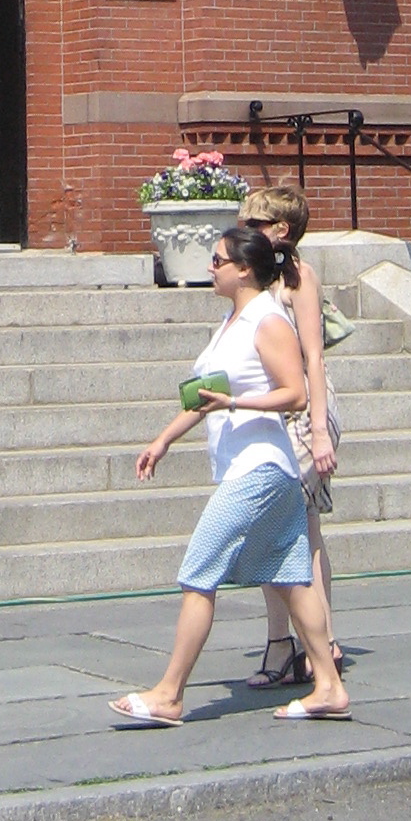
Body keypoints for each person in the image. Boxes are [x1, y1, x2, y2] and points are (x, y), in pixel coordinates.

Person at [110, 222, 348, 727]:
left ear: (245, 270)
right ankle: (328, 686)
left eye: (217, 260)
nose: (210, 268)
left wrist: (237, 402)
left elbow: (297, 393)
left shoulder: (267, 321)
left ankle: (169, 694)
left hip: (260, 470)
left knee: (199, 570)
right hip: (257, 470)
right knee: (292, 578)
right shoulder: (232, 321)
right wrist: (164, 439)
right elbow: (205, 395)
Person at [236, 183, 343, 694]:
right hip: (267, 413)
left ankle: (310, 641)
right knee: (281, 525)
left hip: (302, 414)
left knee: (301, 526)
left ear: (280, 230)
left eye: (253, 224)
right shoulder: (251, 278)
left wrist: (320, 431)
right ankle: (291, 642)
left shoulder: (299, 279)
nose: (244, 231)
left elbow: (314, 356)